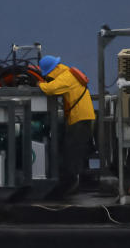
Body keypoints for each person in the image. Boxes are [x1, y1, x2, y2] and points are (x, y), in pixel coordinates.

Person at [36, 55, 94, 197]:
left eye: (48, 74)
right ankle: (76, 184)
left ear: (53, 70)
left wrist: (39, 84)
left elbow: (50, 89)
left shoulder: (66, 78)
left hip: (80, 120)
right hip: (83, 119)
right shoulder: (68, 73)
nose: (49, 77)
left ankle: (66, 189)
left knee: (71, 155)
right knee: (77, 152)